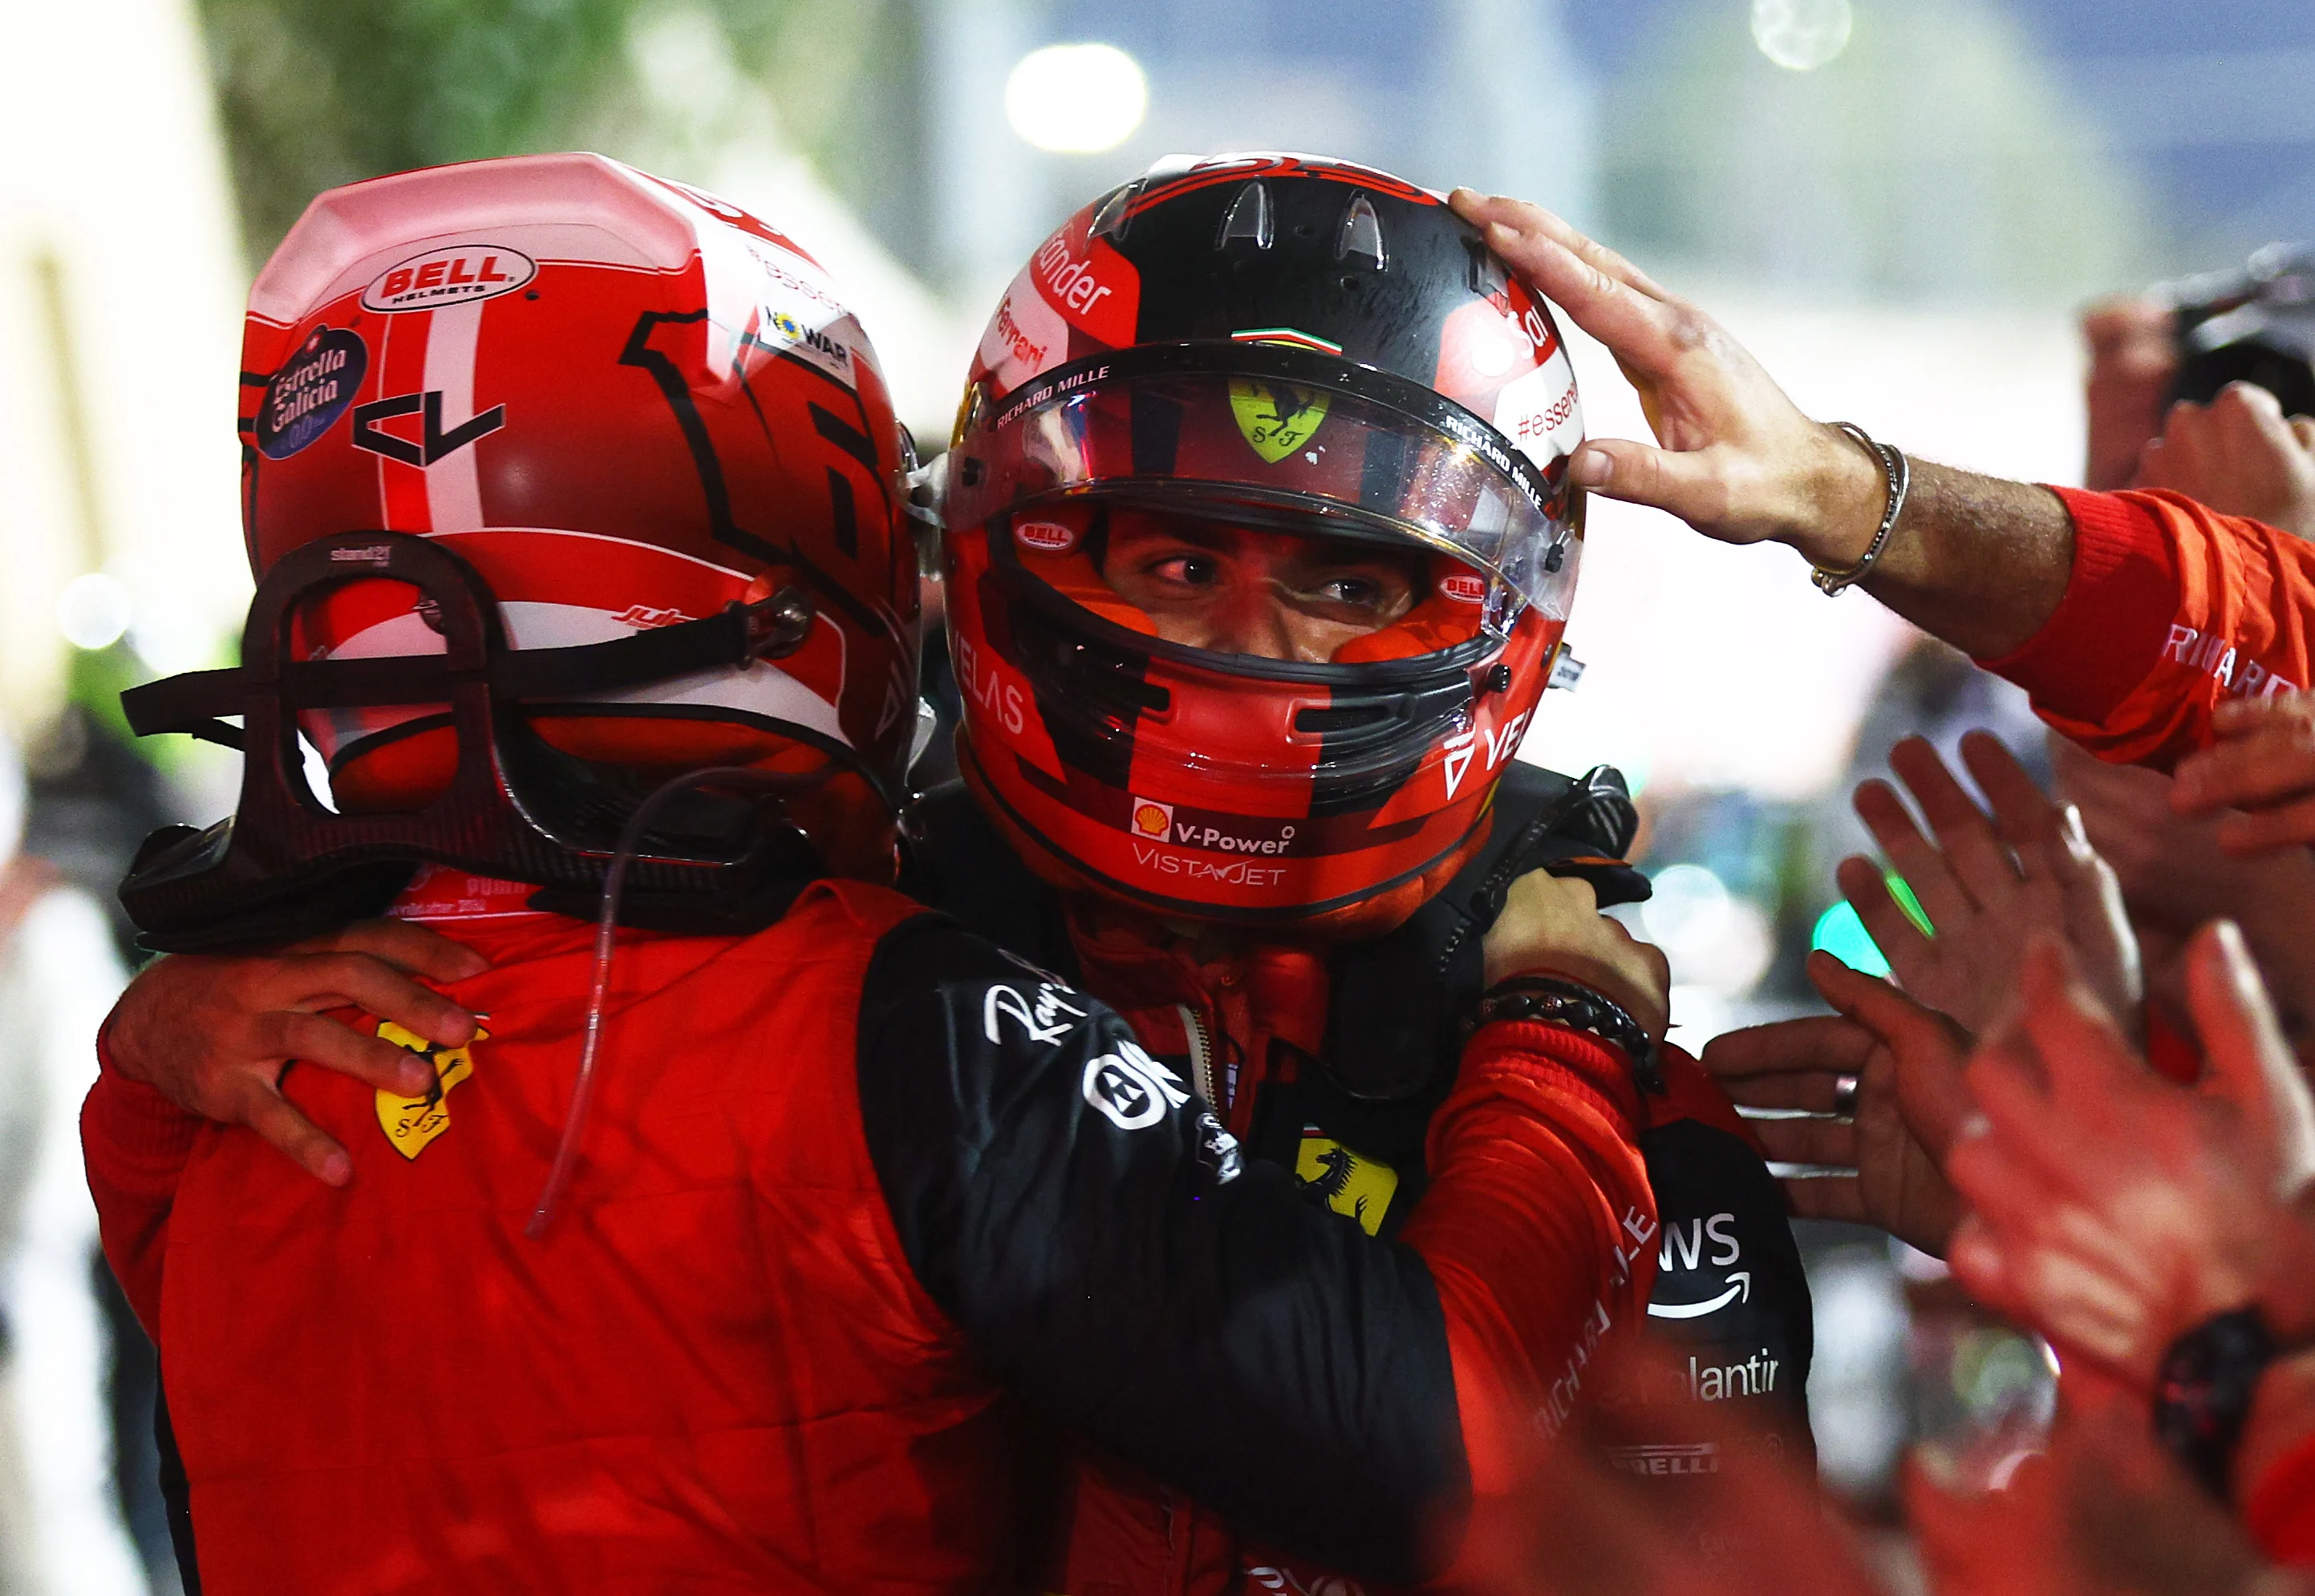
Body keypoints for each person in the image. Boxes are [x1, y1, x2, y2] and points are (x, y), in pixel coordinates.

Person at [96, 153, 1802, 1594]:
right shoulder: (870, 984)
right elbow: (1441, 1425)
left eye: (1350, 583)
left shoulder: (255, 1055)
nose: (1253, 650)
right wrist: (1564, 1034)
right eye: (1177, 561)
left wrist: (152, 1040)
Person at [0, 732, 148, 1596]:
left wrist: (17, 1257)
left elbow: (75, 1138)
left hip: (28, 1290)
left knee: (52, 1524)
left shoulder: (52, 936)